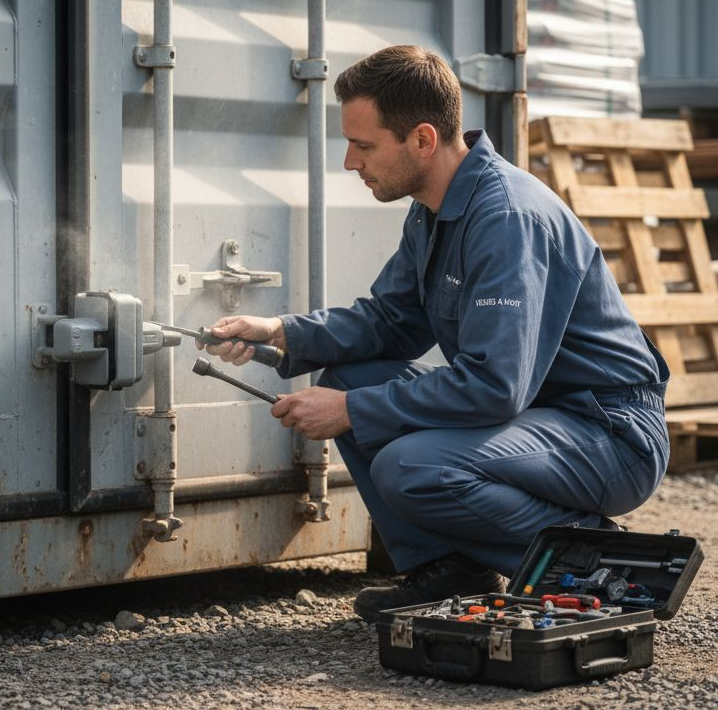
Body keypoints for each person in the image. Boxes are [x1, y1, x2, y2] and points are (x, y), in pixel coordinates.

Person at [201, 45, 670, 621]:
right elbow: (389, 321)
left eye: (364, 145)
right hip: (539, 417)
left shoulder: (505, 219)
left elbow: (494, 387)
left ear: (422, 139)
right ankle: (448, 569)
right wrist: (277, 331)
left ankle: (597, 561)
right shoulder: (435, 207)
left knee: (413, 465)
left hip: (606, 430)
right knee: (356, 372)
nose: (351, 162)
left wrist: (351, 410)